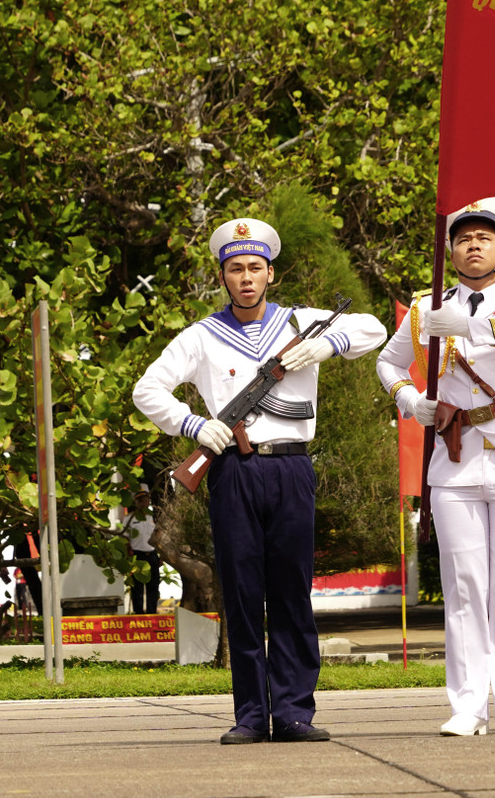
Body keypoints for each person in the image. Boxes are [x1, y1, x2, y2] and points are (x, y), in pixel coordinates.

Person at [132, 218, 387, 745]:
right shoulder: (202, 335)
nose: (245, 277)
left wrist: (327, 345)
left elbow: (374, 328)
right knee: (244, 593)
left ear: (270, 273)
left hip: (291, 467)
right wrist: (196, 425)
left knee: (291, 591)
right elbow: (148, 388)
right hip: (233, 471)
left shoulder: (302, 322)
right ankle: (251, 714)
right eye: (235, 269)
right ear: (223, 277)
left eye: (254, 268)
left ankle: (294, 711)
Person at [375, 198, 495, 736]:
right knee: (465, 586)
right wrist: (410, 400)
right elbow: (387, 361)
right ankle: (468, 704)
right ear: (450, 250)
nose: (473, 245)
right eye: (463, 238)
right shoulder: (426, 306)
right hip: (454, 458)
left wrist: (469, 326)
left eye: (484, 237)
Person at [127, 491, 162, 615]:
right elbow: (125, 538)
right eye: (140, 500)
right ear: (136, 502)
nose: (143, 503)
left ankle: (152, 612)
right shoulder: (129, 518)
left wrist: (161, 556)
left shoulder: (154, 517)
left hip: (152, 554)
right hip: (137, 554)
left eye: (146, 500)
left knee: (153, 585)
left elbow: (160, 537)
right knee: (137, 587)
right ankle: (138, 613)